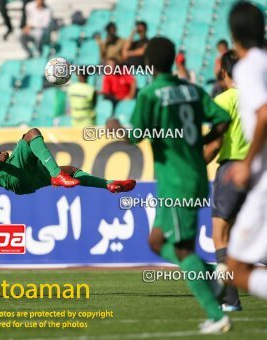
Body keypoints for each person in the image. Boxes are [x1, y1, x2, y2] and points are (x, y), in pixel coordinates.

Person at [106, 37, 232, 333]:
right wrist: (196, 143)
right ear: (173, 59)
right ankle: (213, 275)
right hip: (191, 176)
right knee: (156, 241)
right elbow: (223, 119)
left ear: (148, 64)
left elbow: (135, 136)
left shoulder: (150, 94)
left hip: (178, 181)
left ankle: (217, 314)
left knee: (182, 249)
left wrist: (114, 129)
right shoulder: (191, 89)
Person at [0, 124, 136, 205]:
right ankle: (56, 174)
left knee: (71, 171)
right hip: (14, 171)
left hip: (22, 186)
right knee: (32, 133)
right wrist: (1, 157)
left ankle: (109, 184)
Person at [224, 1, 267, 301]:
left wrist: (246, 163)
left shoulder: (248, 66)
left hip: (264, 179)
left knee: (233, 268)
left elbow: (264, 113)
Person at [204, 50, 249, 312]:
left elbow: (214, 144)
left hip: (232, 170)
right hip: (260, 170)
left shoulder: (224, 99)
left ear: (224, 73)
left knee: (221, 236)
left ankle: (231, 301)